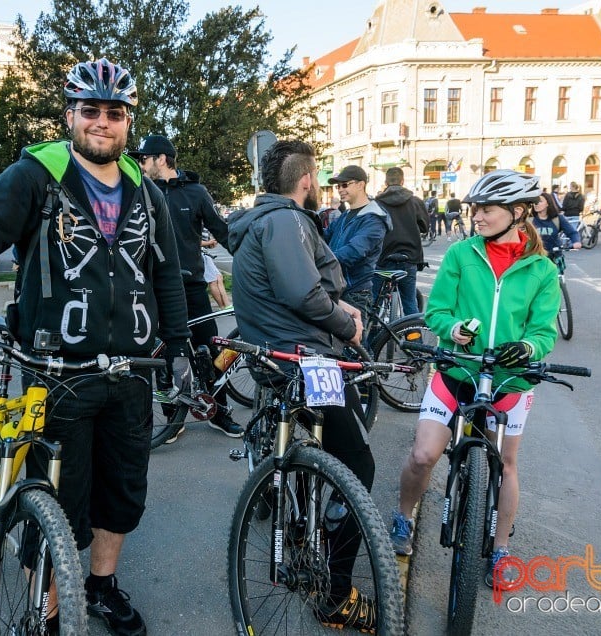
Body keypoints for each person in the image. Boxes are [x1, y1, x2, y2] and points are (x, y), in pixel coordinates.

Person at [0, 59, 190, 636]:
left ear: (128, 122)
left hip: (132, 370)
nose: (103, 123)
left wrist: (181, 347)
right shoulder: (37, 175)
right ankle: (53, 603)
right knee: (62, 497)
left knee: (123, 492)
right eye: (91, 111)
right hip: (54, 365)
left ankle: (102, 586)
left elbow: (168, 275)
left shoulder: (144, 189)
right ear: (71, 116)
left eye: (115, 113)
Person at [226, 140, 376, 631]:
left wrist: (337, 311)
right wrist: (347, 327)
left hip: (276, 357)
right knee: (357, 463)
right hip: (307, 363)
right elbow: (303, 292)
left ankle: (301, 520)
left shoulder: (259, 221)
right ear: (306, 180)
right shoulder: (287, 221)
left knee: (320, 458)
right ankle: (335, 593)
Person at [389, 169, 559, 588]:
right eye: (475, 210)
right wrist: (454, 330)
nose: (477, 217)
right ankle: (403, 516)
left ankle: (500, 549)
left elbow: (544, 332)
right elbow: (436, 312)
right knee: (424, 455)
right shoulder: (462, 254)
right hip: (456, 371)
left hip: (509, 383)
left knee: (507, 465)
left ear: (518, 213)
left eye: (486, 210)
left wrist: (530, 349)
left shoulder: (542, 270)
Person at [132, 133, 240, 438]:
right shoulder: (140, 191)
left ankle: (220, 411)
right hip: (154, 288)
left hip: (191, 286)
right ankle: (171, 417)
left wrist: (250, 266)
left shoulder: (196, 192)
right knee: (162, 358)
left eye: (144, 159)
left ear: (161, 159)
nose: (140, 164)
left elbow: (223, 231)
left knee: (212, 352)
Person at [323, 165, 392, 312]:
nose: (340, 189)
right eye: (338, 186)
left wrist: (320, 262)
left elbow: (354, 251)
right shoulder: (346, 214)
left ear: (361, 185)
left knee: (355, 335)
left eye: (345, 184)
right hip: (337, 287)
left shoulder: (374, 219)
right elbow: (324, 235)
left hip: (354, 293)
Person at [373, 166, 427, 315]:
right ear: (402, 181)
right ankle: (414, 337)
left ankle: (371, 337)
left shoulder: (376, 203)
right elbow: (425, 227)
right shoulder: (415, 202)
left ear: (386, 182)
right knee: (409, 302)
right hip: (409, 257)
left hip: (383, 257)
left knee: (373, 305)